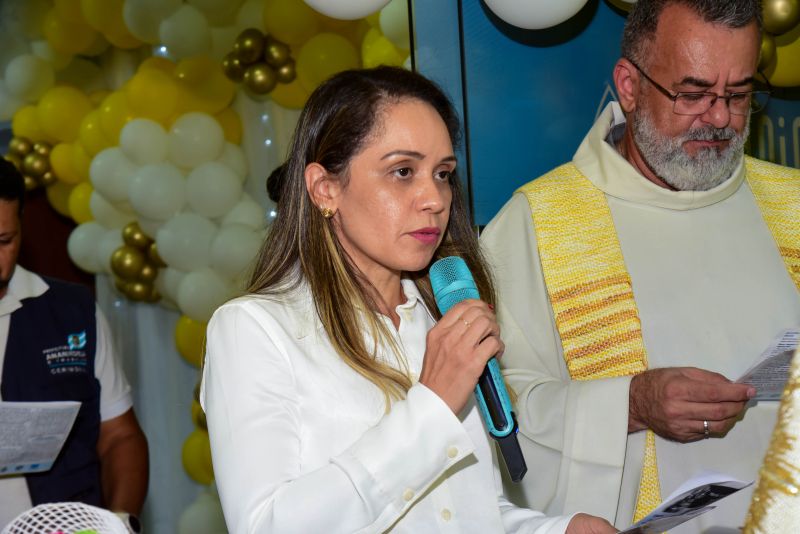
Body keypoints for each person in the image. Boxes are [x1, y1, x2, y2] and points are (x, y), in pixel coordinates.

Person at [200, 66, 614, 534]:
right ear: (325, 189)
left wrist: (554, 530)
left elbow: (466, 510)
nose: (435, 198)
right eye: (402, 171)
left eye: (442, 174)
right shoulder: (254, 329)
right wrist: (433, 404)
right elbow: (267, 527)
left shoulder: (439, 317)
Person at [481, 0, 800, 531]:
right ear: (628, 85)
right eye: (694, 93)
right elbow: (497, 414)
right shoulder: (535, 225)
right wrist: (629, 404)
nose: (720, 118)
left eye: (739, 94)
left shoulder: (792, 205)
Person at [0, 158, 148, 528]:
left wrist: (118, 522)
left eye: (4, 241)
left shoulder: (72, 311)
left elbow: (119, 437)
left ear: (21, 227)